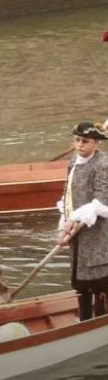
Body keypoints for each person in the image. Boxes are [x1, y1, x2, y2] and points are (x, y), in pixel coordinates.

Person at [57, 121, 108, 321]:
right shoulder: (73, 162)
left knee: (99, 279)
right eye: (77, 140)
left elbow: (101, 201)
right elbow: (67, 194)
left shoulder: (103, 164)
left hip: (99, 230)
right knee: (80, 280)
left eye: (85, 141)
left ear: (96, 143)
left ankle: (101, 320)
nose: (80, 145)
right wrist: (64, 224)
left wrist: (75, 217)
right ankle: (85, 320)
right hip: (77, 232)